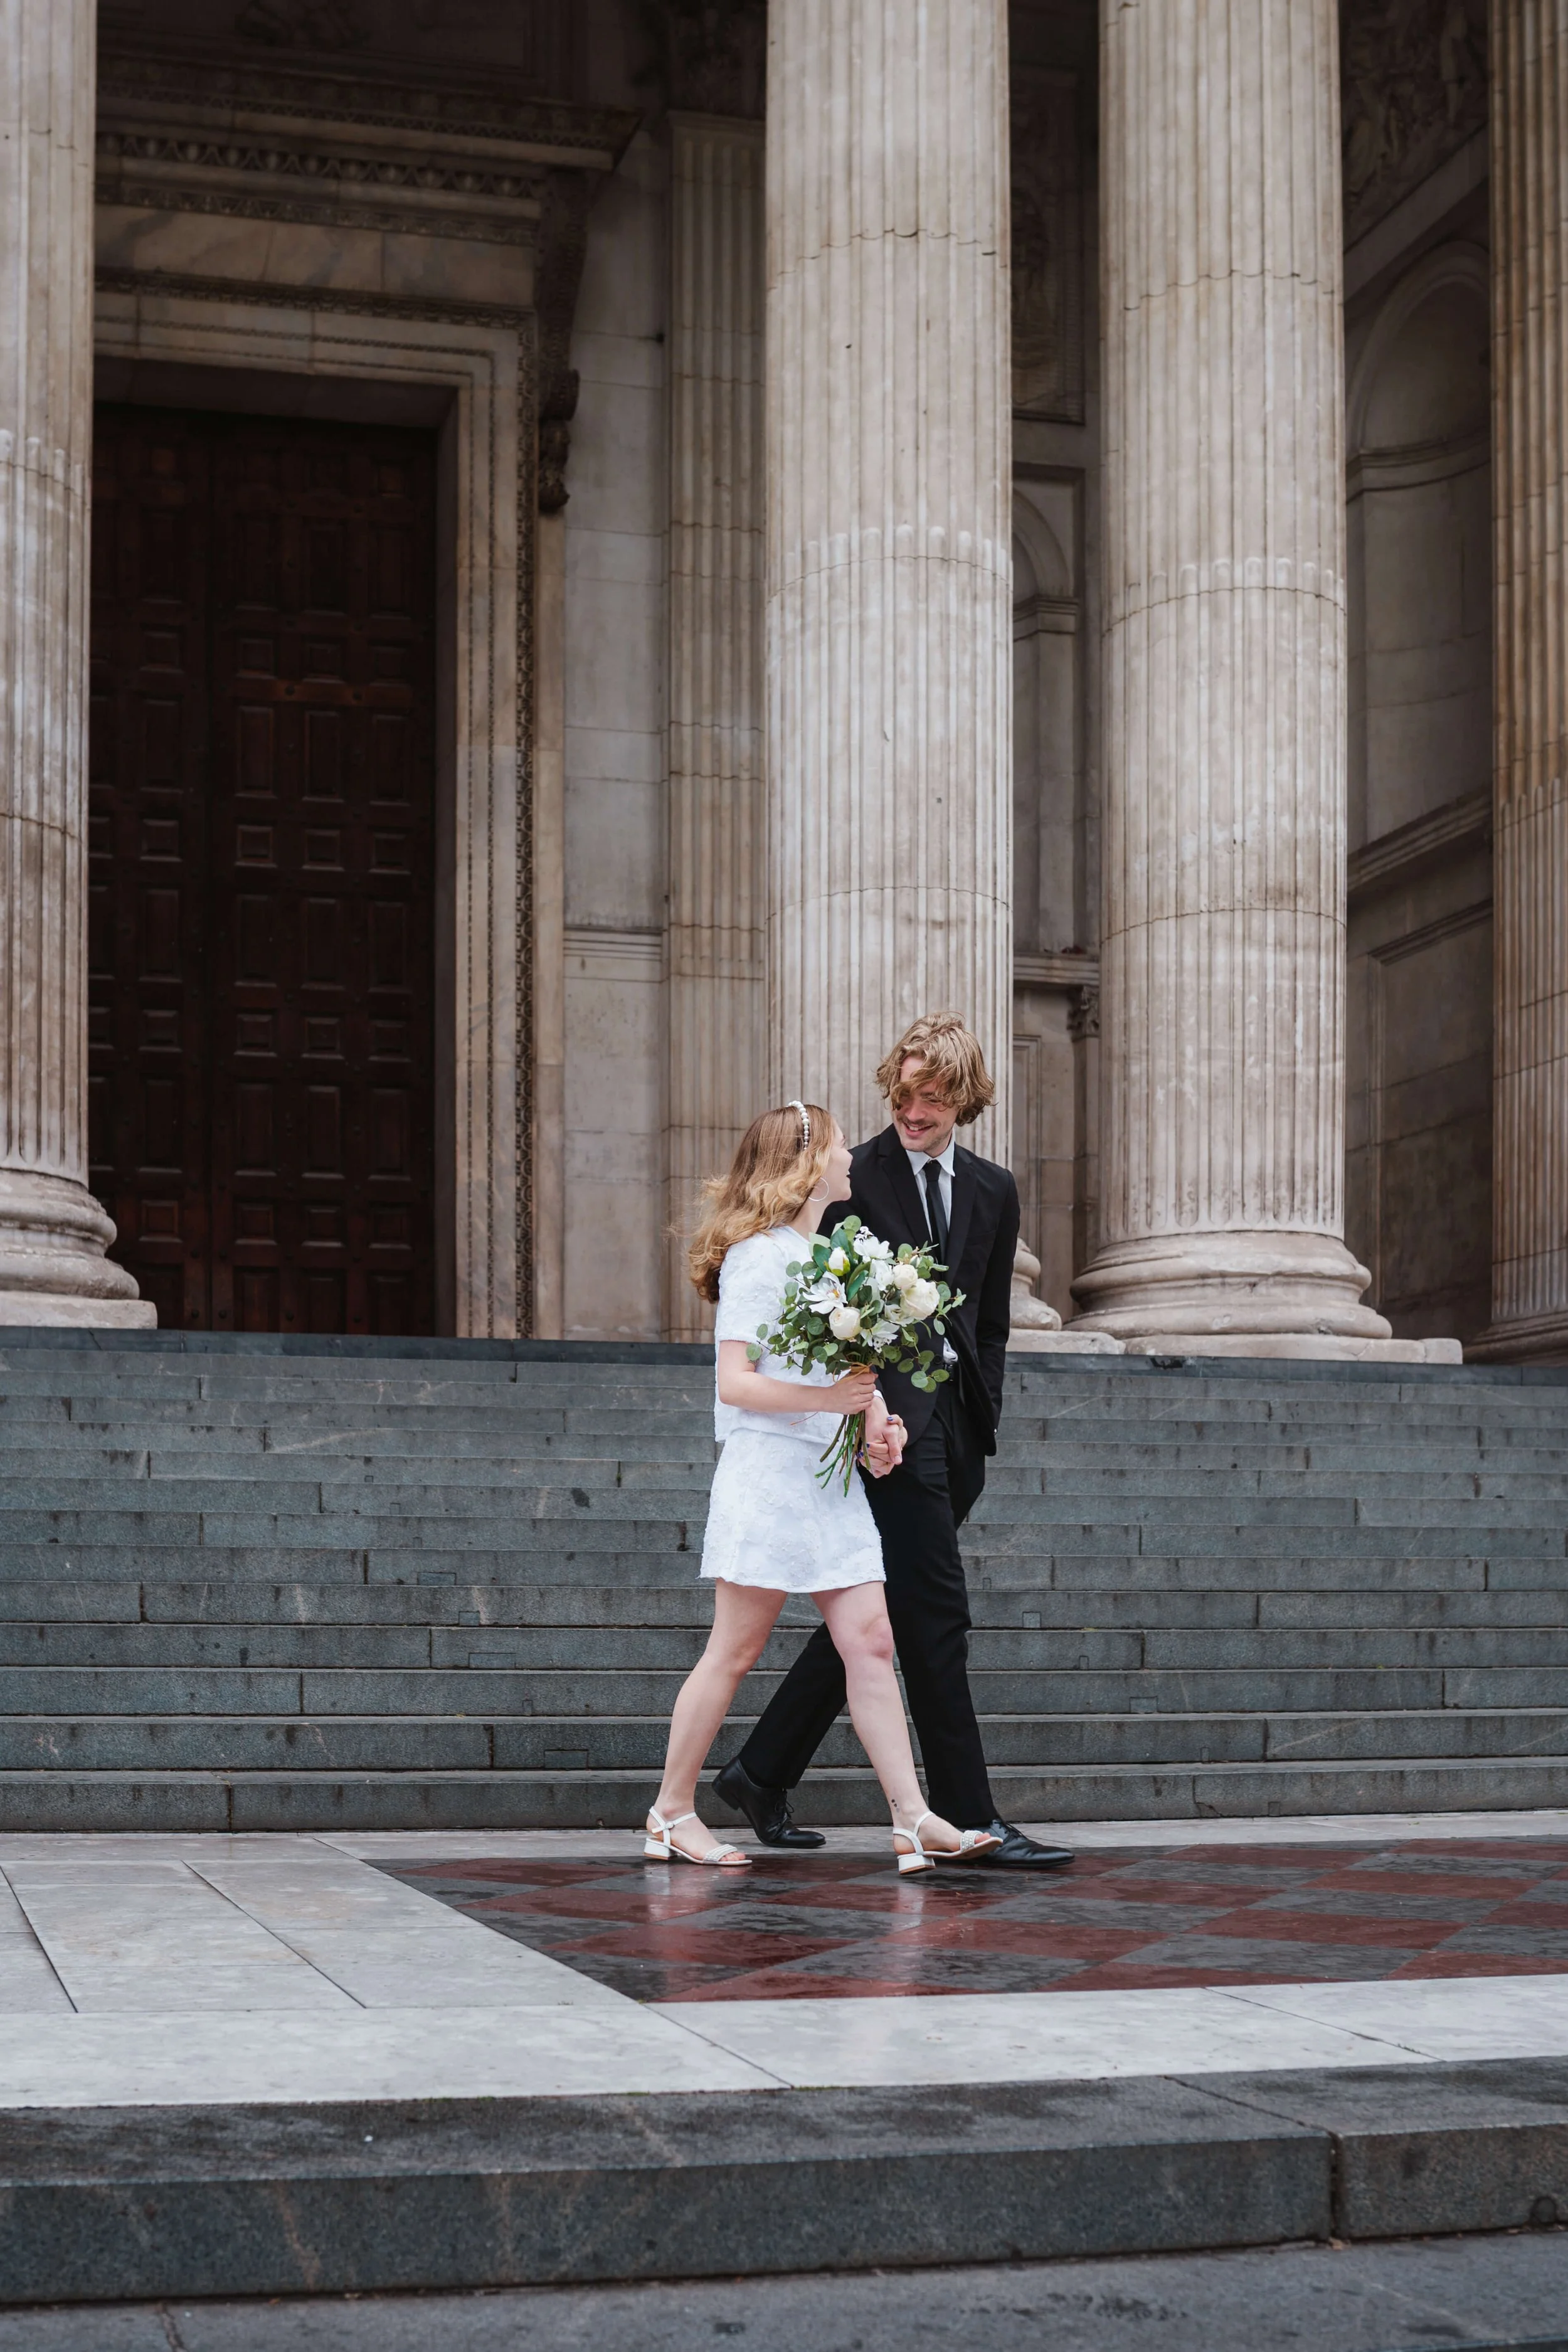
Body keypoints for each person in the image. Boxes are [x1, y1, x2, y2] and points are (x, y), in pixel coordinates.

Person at [715, 1015, 1076, 1871]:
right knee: (935, 1615)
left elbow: (989, 1321)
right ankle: (967, 1816)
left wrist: (980, 1406)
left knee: (882, 1610)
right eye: (905, 1092)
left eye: (932, 1095)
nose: (914, 1110)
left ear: (963, 1097)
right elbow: (820, 1299)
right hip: (882, 1429)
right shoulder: (855, 1174)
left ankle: (761, 1770)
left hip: (959, 1431)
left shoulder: (994, 1187)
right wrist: (872, 1409)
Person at [644, 1098, 1001, 1875]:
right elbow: (736, 1383)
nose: (850, 1156)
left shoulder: (825, 1254)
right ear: (808, 1166)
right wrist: (828, 1405)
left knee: (872, 1641)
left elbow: (838, 1370)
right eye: (838, 1147)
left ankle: (912, 1819)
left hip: (828, 1481)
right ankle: (671, 1813)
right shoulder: (756, 1256)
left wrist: (876, 1418)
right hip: (768, 1477)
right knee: (734, 1651)